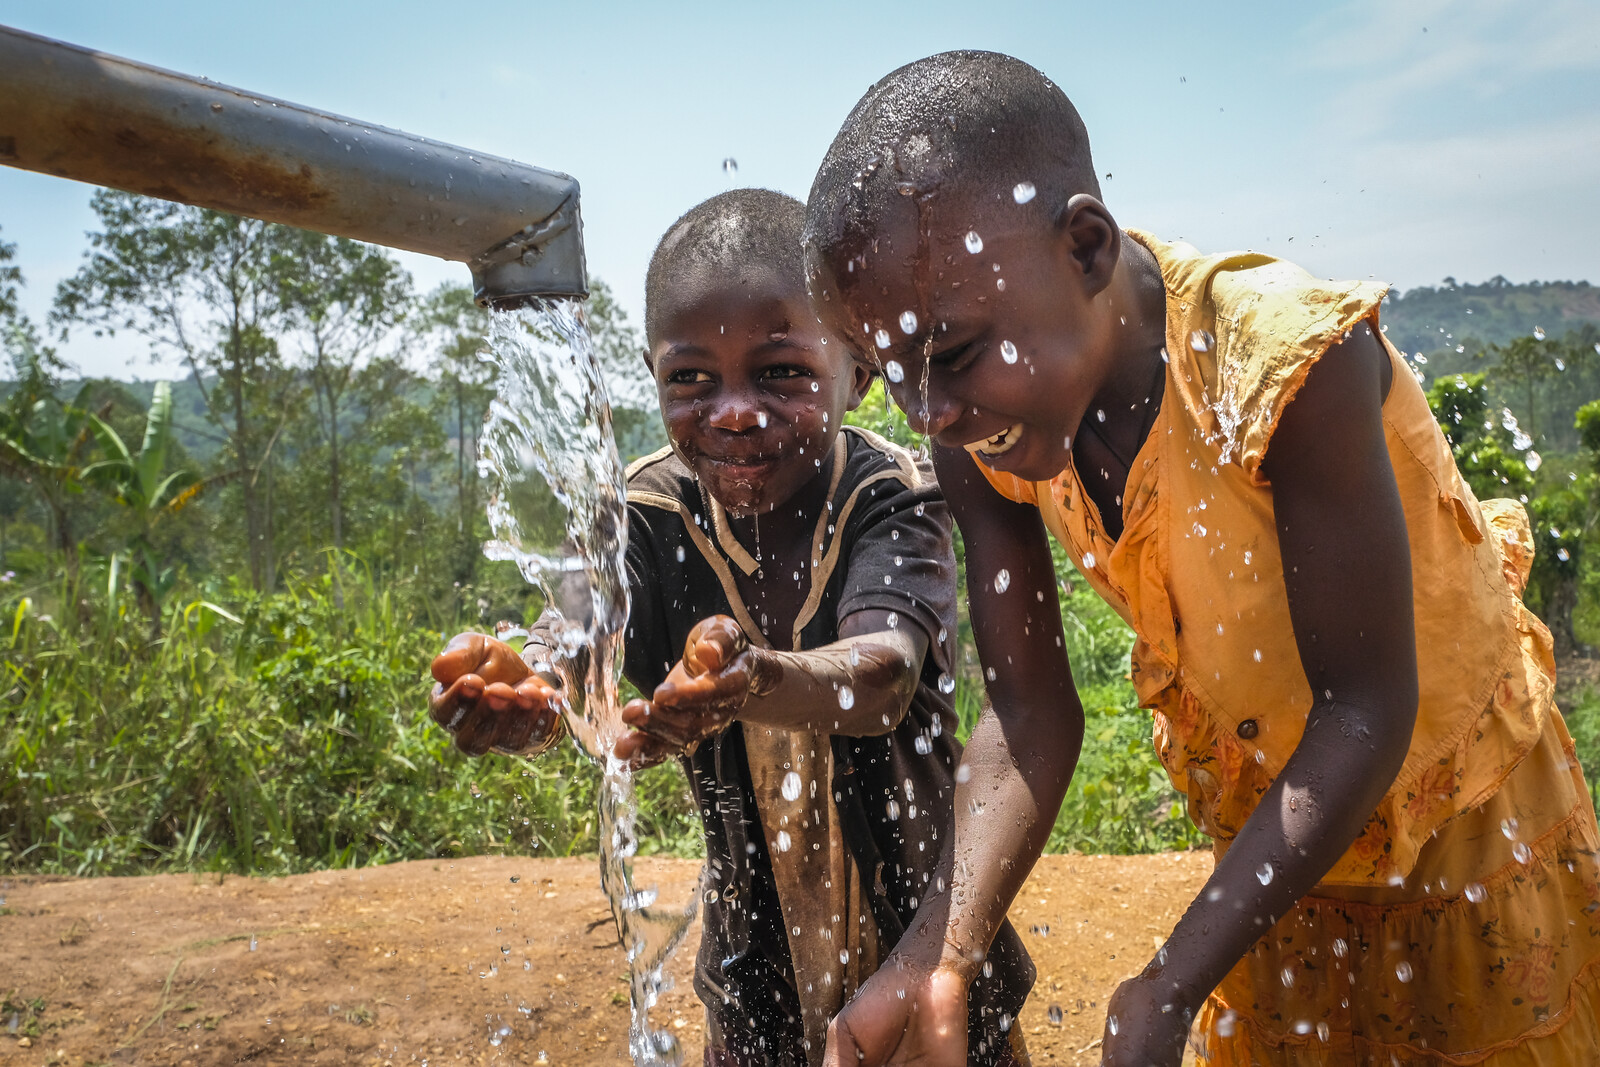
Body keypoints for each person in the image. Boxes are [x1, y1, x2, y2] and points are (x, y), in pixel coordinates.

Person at [799, 50, 1600, 1067]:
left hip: (1462, 833)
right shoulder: (982, 430)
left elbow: (1366, 710)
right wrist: (935, 954)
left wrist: (1172, 980)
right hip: (1277, 850)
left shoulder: (1282, 370)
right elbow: (1030, 710)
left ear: (1085, 247)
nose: (929, 412)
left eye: (951, 354)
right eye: (889, 377)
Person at [428, 189, 1033, 1067]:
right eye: (691, 378)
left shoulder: (891, 498)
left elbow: (883, 676)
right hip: (755, 970)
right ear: (653, 376)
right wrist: (536, 678)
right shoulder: (641, 514)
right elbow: (576, 630)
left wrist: (754, 677)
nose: (735, 410)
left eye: (781, 371)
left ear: (857, 370)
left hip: (925, 946)